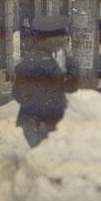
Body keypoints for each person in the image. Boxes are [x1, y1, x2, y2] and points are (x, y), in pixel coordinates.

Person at [12, 16, 79, 148]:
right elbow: (71, 85)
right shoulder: (46, 64)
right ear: (50, 40)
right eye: (61, 37)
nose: (63, 41)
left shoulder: (32, 59)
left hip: (33, 123)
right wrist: (69, 55)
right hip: (42, 126)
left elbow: (17, 93)